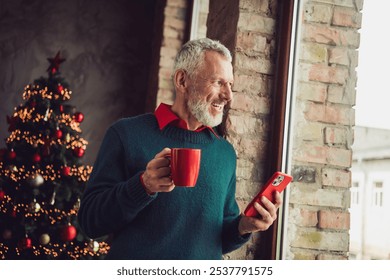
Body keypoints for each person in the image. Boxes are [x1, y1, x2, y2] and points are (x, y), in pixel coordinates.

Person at [77, 38, 282, 260]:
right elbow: (90, 222)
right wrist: (143, 185)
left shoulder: (225, 153)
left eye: (230, 84)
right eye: (218, 82)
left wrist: (244, 226)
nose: (228, 95)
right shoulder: (125, 134)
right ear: (182, 80)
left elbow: (216, 239)